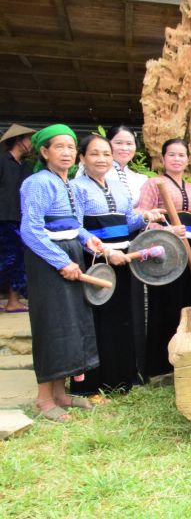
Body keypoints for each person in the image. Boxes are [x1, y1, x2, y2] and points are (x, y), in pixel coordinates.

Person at [20, 124, 104, 422]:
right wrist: (60, 261)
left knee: (71, 323)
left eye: (70, 147)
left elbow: (72, 224)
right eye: (59, 147)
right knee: (52, 326)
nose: (67, 152)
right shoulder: (37, 183)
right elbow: (31, 229)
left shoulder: (69, 183)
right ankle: (44, 399)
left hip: (71, 255)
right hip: (48, 262)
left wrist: (86, 239)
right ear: (44, 152)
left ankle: (60, 393)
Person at [72, 135, 162, 395]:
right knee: (99, 320)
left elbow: (128, 221)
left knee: (124, 318)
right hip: (96, 260)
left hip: (124, 259)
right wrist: (105, 251)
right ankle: (94, 383)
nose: (102, 159)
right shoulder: (77, 188)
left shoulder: (118, 187)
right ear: (83, 158)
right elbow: (76, 228)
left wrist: (146, 215)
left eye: (106, 154)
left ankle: (122, 378)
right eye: (95, 154)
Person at [136, 138, 191, 377]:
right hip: (165, 251)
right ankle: (160, 366)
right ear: (163, 158)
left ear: (188, 159)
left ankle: (188, 359)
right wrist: (167, 231)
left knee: (189, 302)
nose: (177, 159)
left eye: (182, 155)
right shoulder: (153, 184)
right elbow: (141, 219)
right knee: (165, 304)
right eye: (172, 155)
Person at [0, 123, 34, 312]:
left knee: (19, 259)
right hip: (2, 218)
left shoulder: (27, 167)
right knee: (7, 259)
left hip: (20, 219)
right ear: (19, 140)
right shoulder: (2, 161)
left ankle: (13, 301)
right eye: (28, 139)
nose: (31, 144)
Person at [106, 126, 149, 206]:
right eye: (118, 143)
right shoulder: (96, 173)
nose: (124, 148)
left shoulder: (141, 179)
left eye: (129, 144)